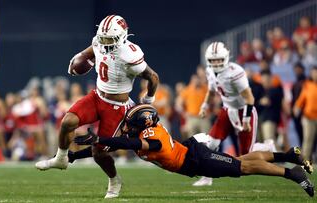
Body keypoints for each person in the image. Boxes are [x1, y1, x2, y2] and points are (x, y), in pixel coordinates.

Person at [35, 15, 159, 199]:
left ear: (122, 36)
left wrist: (148, 99)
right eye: (103, 38)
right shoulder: (99, 42)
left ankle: (114, 180)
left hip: (117, 107)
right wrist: (78, 61)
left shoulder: (130, 54)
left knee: (98, 152)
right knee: (68, 122)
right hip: (97, 96)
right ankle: (61, 159)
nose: (105, 43)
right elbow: (87, 53)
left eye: (110, 39)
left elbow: (153, 77)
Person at [73, 104, 314, 198]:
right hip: (191, 154)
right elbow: (109, 148)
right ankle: (288, 156)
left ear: (141, 125)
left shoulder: (148, 136)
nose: (125, 127)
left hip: (196, 160)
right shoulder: (139, 133)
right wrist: (75, 155)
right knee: (239, 161)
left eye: (129, 123)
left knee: (243, 166)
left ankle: (291, 173)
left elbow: (132, 145)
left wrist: (101, 138)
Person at [193, 41, 259, 186]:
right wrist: (204, 105)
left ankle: (268, 148)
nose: (216, 63)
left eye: (219, 59)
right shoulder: (210, 71)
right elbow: (211, 91)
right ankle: (207, 177)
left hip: (244, 111)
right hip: (227, 110)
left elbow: (249, 98)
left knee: (246, 157)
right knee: (210, 145)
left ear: (226, 57)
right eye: (213, 60)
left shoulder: (235, 72)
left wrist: (247, 120)